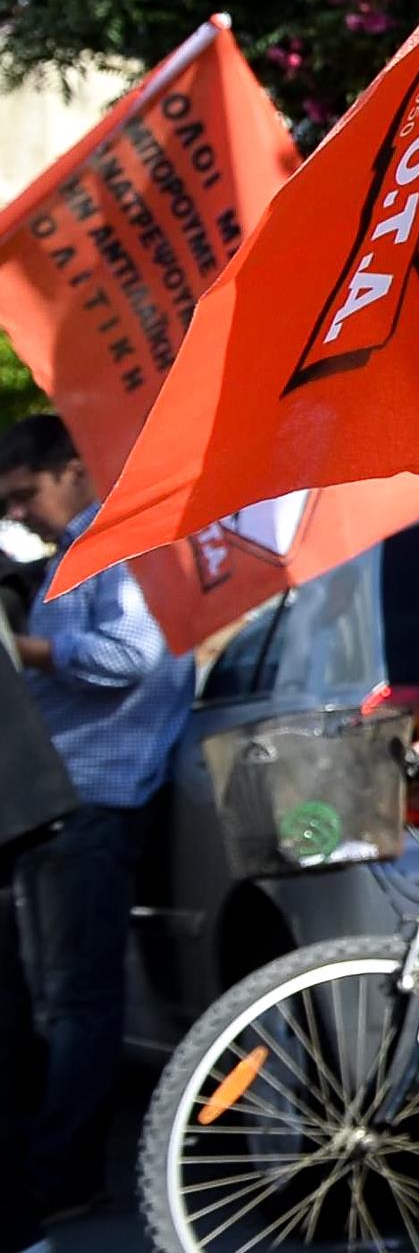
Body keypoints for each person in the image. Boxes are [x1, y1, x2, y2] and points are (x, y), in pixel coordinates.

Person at [0, 415, 190, 1240]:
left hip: (93, 797)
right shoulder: (84, 548)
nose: (23, 516)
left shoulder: (120, 543)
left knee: (76, 1001)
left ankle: (63, 1175)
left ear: (74, 471)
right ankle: (53, 1168)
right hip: (65, 799)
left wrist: (28, 650)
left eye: (26, 495)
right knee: (56, 1000)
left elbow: (130, 654)